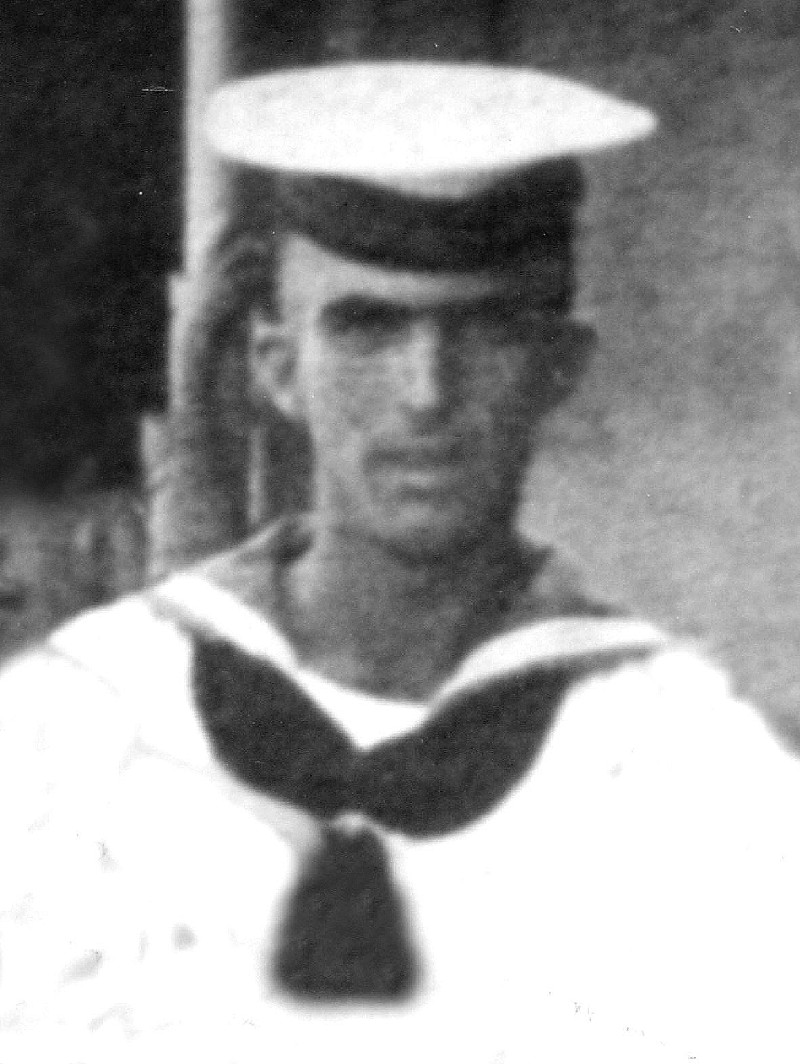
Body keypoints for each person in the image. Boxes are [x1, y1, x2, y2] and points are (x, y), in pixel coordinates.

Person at [1, 62, 799, 1063]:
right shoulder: (75, 732)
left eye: (486, 328)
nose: (426, 392)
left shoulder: (699, 770)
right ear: (278, 369)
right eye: (368, 327)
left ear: (559, 366)